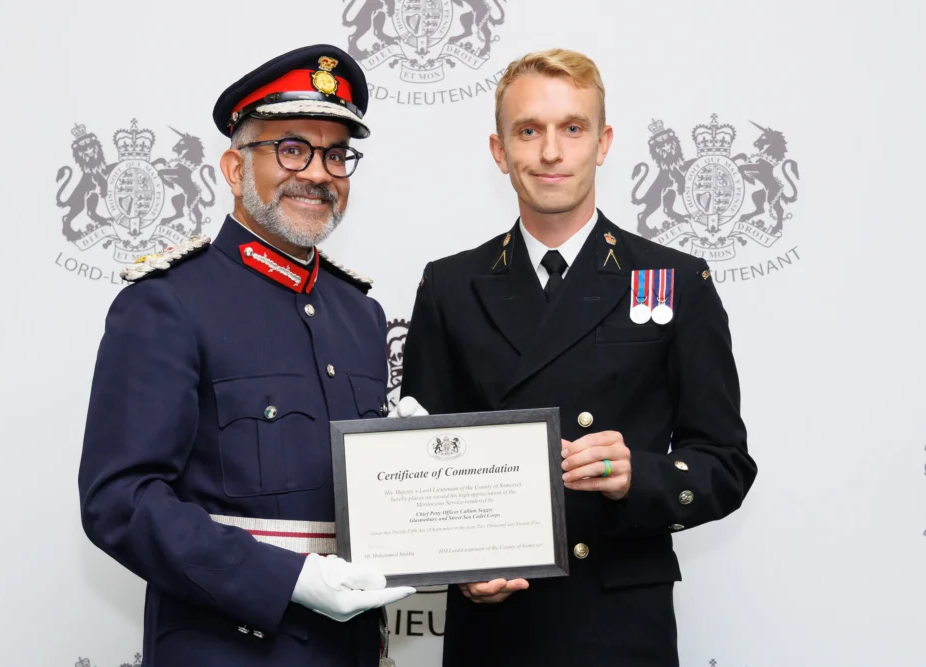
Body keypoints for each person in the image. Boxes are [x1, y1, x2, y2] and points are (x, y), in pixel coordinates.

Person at [399, 48, 759, 666]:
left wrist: (637, 476)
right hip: (496, 628)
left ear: (603, 142)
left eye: (572, 128)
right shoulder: (449, 287)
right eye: (528, 130)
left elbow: (725, 463)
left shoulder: (676, 279)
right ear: (499, 150)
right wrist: (460, 567)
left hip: (619, 622)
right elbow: (420, 463)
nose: (550, 152)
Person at [77, 44, 416, 667]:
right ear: (235, 168)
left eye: (337, 153)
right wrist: (286, 579)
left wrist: (416, 473)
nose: (318, 172)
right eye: (292, 148)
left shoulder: (360, 314)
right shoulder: (169, 303)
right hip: (229, 646)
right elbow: (119, 500)